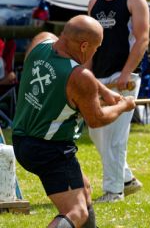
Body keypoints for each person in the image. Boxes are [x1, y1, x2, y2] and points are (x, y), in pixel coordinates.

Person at [12, 15, 136, 228]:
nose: (95, 52)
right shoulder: (79, 77)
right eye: (96, 48)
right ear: (85, 45)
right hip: (50, 148)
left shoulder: (40, 43)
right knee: (76, 212)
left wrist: (104, 90)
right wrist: (123, 106)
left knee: (84, 190)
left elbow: (76, 76)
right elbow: (97, 119)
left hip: (22, 139)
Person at [88, 0, 150, 202]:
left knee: (115, 136)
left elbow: (142, 39)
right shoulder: (94, 2)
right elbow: (88, 46)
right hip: (99, 77)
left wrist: (125, 74)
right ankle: (125, 179)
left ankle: (114, 192)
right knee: (96, 132)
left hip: (125, 77)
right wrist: (86, 76)